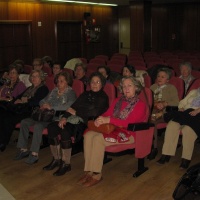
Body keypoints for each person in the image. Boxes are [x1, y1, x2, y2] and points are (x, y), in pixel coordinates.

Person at [77, 76, 147, 187]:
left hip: (129, 133)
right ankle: (89, 172)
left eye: (129, 85)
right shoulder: (117, 101)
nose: (126, 88)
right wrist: (99, 119)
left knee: (98, 139)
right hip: (113, 129)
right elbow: (107, 114)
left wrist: (109, 120)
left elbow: (129, 123)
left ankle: (96, 175)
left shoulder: (141, 105)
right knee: (89, 134)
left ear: (136, 88)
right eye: (124, 86)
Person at [43, 72, 109, 176]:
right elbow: (72, 107)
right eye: (92, 82)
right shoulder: (85, 94)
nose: (95, 84)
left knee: (65, 130)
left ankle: (66, 163)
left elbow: (94, 112)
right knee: (52, 127)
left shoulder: (103, 97)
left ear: (102, 84)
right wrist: (64, 117)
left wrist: (77, 112)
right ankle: (56, 159)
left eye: (98, 82)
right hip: (75, 119)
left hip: (87, 122)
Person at [14, 71, 76, 164]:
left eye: (61, 81)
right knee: (24, 122)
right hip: (43, 114)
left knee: (38, 126)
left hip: (55, 117)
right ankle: (23, 149)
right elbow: (42, 100)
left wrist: (51, 107)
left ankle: (34, 154)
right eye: (58, 81)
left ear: (68, 82)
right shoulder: (54, 91)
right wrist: (43, 105)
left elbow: (69, 106)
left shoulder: (70, 93)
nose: (58, 83)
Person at [0, 70, 49, 152]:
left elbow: (36, 102)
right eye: (32, 76)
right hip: (20, 108)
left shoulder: (43, 88)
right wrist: (14, 100)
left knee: (8, 118)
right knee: (2, 113)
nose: (33, 78)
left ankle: (3, 142)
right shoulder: (30, 88)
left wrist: (25, 100)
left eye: (36, 76)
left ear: (41, 78)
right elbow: (18, 97)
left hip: (31, 111)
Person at [157, 88, 200, 169]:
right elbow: (182, 102)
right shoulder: (194, 91)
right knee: (172, 124)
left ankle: (186, 158)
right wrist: (181, 107)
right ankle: (166, 153)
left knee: (188, 130)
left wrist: (198, 110)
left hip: (198, 116)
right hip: (187, 113)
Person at [149, 68, 179, 159]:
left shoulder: (171, 88)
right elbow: (147, 100)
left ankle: (154, 148)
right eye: (158, 76)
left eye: (163, 77)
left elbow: (177, 102)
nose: (159, 78)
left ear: (168, 80)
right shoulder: (152, 87)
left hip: (164, 112)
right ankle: (145, 145)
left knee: (152, 122)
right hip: (152, 111)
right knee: (144, 119)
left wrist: (165, 103)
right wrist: (154, 104)